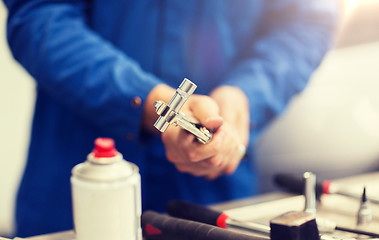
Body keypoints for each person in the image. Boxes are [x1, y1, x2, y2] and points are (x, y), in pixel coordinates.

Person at [4, 0, 340, 237]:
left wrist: (244, 97)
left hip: (212, 191)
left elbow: (307, 21)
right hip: (75, 185)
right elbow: (39, 16)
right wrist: (142, 99)